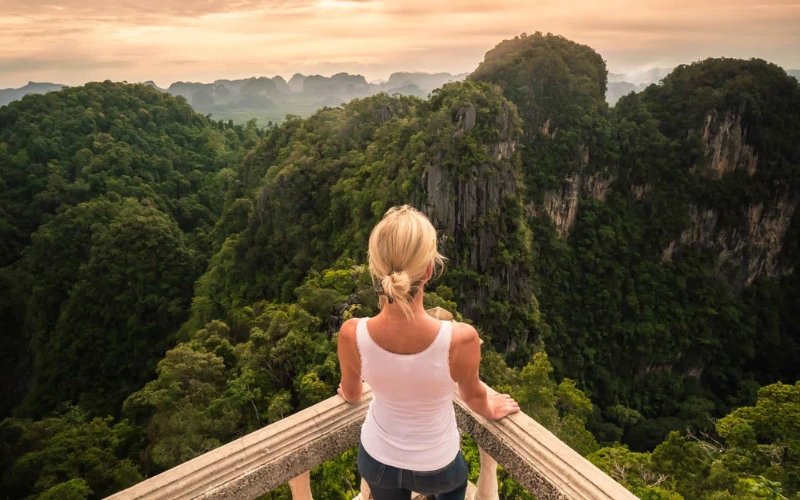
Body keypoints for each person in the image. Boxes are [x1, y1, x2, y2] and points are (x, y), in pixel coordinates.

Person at [337, 205, 520, 500]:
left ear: (377, 270)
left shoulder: (351, 334)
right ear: (429, 270)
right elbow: (473, 397)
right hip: (437, 465)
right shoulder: (461, 339)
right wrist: (492, 407)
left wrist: (347, 392)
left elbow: (352, 393)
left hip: (377, 459)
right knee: (455, 486)